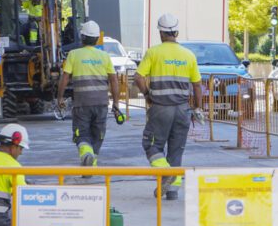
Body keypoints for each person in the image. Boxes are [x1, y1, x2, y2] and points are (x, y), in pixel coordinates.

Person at [134, 14, 204, 200]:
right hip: (182, 109)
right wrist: (197, 108)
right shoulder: (188, 55)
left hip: (160, 108)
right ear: (177, 32)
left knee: (151, 145)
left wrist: (147, 94)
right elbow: (197, 85)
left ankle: (166, 173)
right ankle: (173, 191)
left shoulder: (154, 52)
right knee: (176, 148)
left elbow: (138, 77)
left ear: (161, 33)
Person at [57, 20, 118, 167]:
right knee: (98, 135)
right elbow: (114, 80)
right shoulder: (104, 56)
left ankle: (86, 155)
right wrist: (116, 103)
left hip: (82, 104)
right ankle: (90, 164)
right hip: (101, 104)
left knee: (81, 134)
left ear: (82, 37)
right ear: (97, 39)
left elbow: (65, 77)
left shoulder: (73, 55)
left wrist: (60, 97)